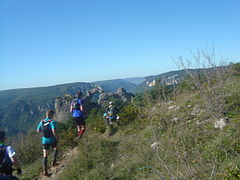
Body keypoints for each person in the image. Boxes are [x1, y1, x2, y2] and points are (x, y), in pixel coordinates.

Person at [37, 109, 58, 176]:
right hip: (51, 139)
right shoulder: (52, 122)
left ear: (46, 115)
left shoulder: (42, 121)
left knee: (45, 155)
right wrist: (57, 137)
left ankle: (45, 171)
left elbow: (38, 130)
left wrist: (44, 133)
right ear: (51, 115)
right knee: (56, 148)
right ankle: (54, 162)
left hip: (44, 140)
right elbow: (54, 131)